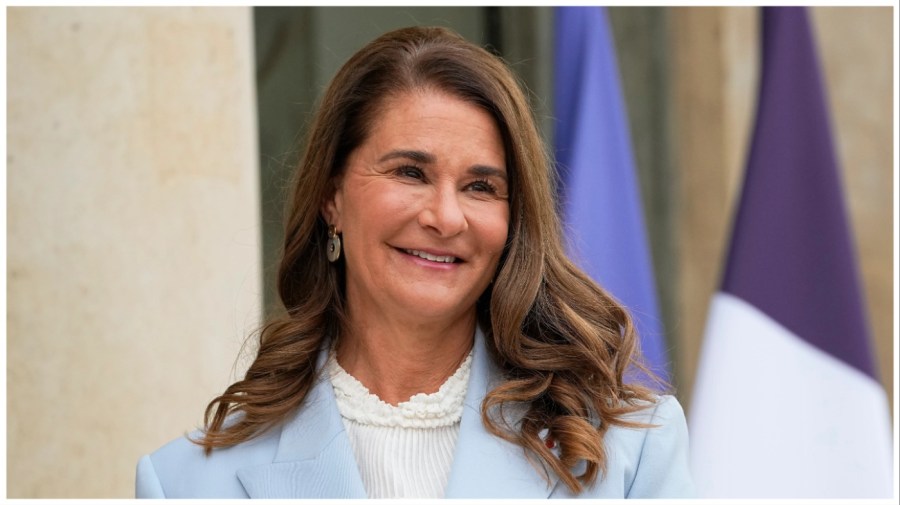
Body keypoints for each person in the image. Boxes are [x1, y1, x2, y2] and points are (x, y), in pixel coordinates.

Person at [135, 25, 694, 499]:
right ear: (332, 196)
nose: (447, 217)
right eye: (409, 173)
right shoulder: (184, 484)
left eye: (480, 186)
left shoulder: (631, 448)